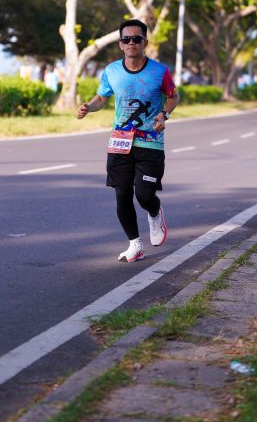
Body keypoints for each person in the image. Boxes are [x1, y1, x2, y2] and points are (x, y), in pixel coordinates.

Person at [77, 19, 180, 262]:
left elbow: (173, 96)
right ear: (120, 44)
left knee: (144, 195)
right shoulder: (111, 71)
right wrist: (88, 107)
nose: (131, 43)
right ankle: (135, 244)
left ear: (145, 42)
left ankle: (154, 213)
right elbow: (101, 98)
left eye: (136, 39)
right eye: (126, 39)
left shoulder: (160, 71)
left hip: (150, 143)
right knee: (122, 194)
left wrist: (164, 114)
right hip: (120, 142)